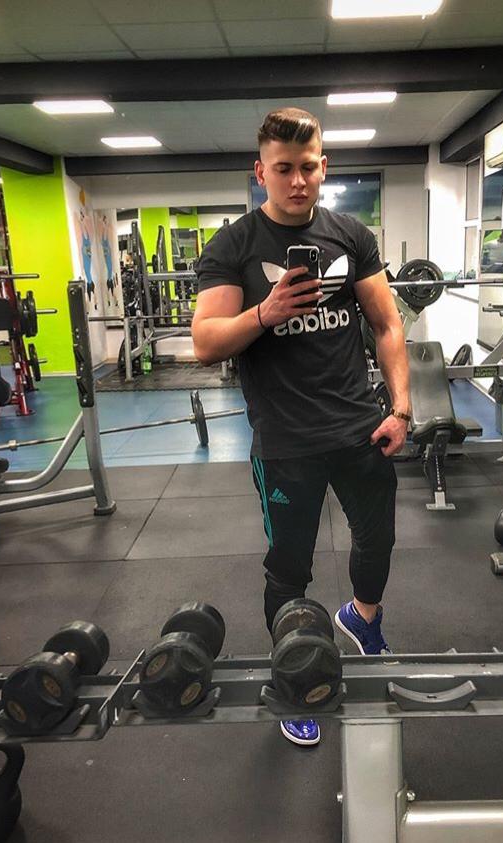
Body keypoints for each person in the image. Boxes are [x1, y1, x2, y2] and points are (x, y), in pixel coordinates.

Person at [192, 107, 410, 746]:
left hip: (361, 429)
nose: (297, 181)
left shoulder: (351, 234)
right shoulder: (233, 246)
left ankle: (362, 618)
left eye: (308, 167)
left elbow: (387, 324)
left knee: (378, 543)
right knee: (290, 569)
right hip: (285, 441)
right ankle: (294, 675)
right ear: (260, 172)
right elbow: (205, 342)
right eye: (283, 168)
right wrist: (264, 312)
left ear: (324, 167)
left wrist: (400, 408)